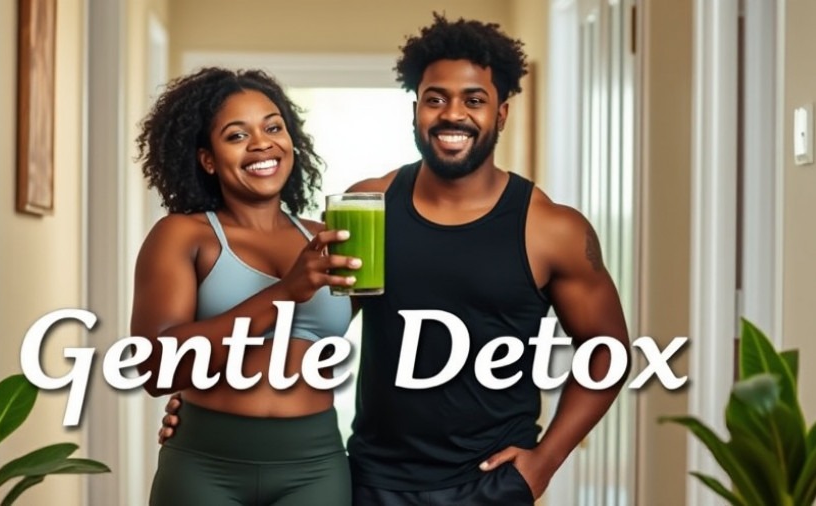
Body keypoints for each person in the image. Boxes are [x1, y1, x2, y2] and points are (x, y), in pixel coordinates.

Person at [161, 14, 630, 506]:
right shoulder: (368, 207)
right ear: (415, 111)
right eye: (435, 99)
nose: (453, 114)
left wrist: (545, 461)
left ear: (502, 114)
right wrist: (202, 407)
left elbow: (608, 351)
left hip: (492, 482)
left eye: (474, 100)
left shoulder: (552, 229)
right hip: (373, 482)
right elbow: (310, 327)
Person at [132, 67, 361, 506]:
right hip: (205, 466)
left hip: (315, 466)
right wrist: (284, 293)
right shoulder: (182, 235)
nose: (261, 143)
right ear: (208, 159)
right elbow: (156, 370)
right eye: (237, 135)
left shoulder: (324, 239)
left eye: (273, 127)